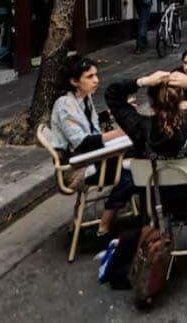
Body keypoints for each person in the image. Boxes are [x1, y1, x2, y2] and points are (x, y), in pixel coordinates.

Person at [108, 69, 187, 219]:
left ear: (150, 103)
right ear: (180, 98)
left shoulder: (139, 127)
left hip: (156, 200)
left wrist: (143, 81)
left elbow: (111, 94)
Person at [48, 55, 133, 238]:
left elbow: (89, 124)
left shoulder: (84, 99)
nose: (96, 80)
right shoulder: (64, 105)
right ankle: (105, 223)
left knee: (139, 156)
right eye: (89, 76)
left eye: (96, 75)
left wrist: (113, 113)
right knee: (132, 176)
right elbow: (85, 141)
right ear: (74, 81)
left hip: (90, 157)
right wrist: (122, 132)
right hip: (76, 168)